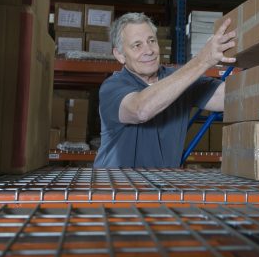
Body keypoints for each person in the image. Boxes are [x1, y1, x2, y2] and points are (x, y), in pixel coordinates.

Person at [94, 12, 235, 168]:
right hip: (116, 188)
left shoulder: (179, 78)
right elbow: (140, 110)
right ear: (120, 55)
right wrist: (202, 60)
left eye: (151, 41)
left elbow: (229, 96)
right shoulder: (112, 86)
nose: (149, 50)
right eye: (137, 45)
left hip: (161, 189)